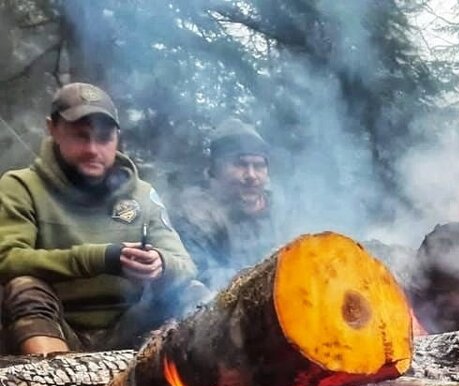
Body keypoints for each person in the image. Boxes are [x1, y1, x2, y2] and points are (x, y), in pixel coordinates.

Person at [0, 83, 197, 354]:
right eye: (81, 136)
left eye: (104, 138)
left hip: (129, 332)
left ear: (117, 137)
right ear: (53, 129)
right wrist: (101, 258)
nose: (93, 149)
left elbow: (185, 265)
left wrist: (160, 264)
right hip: (55, 326)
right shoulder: (21, 187)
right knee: (22, 288)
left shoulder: (142, 194)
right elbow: (7, 260)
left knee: (192, 294)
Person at [175, 119, 285, 290]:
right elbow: (199, 275)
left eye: (259, 166)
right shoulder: (196, 217)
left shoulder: (281, 209)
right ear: (216, 170)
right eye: (240, 164)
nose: (251, 175)